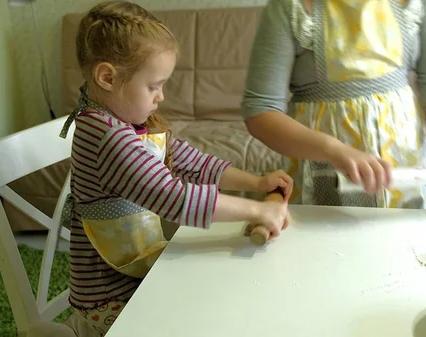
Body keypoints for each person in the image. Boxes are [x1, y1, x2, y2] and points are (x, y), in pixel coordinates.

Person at [57, 1, 292, 335]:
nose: (161, 97)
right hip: (111, 298)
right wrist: (256, 209)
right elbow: (174, 198)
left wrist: (256, 181)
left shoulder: (120, 122)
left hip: (138, 272)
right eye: (153, 86)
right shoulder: (107, 136)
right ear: (107, 77)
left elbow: (189, 160)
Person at [241, 0, 426, 209]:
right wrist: (333, 150)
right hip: (326, 172)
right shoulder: (291, 8)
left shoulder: (412, 3)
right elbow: (261, 111)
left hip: (408, 173)